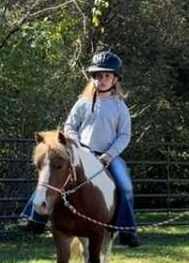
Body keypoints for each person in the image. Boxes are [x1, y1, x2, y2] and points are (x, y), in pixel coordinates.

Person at [19, 51, 141, 248]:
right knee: (51, 175)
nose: (102, 80)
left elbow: (124, 135)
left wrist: (109, 154)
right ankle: (34, 219)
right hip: (81, 153)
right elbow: (69, 127)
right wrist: (77, 145)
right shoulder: (82, 102)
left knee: (125, 186)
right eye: (98, 76)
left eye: (107, 76)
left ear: (115, 79)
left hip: (108, 155)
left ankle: (127, 229)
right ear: (93, 78)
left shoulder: (120, 107)